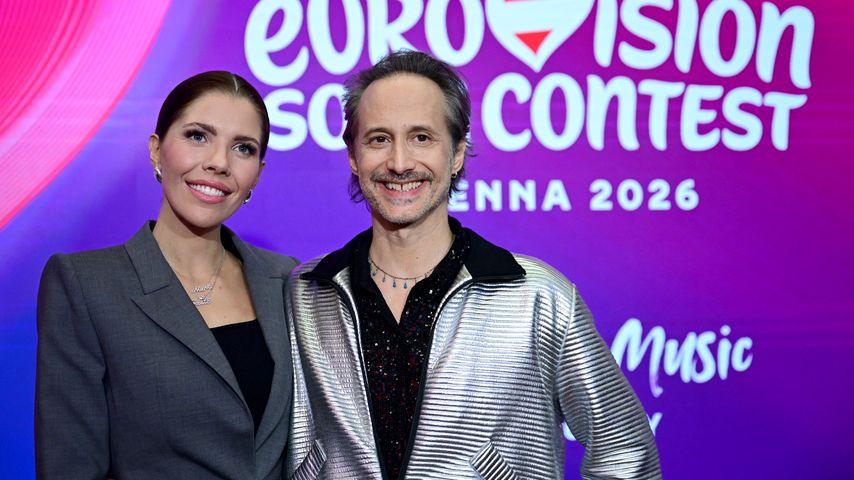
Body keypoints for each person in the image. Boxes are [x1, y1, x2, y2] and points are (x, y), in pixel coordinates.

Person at [284, 50, 661, 479]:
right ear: (353, 155)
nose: (400, 162)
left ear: (457, 153)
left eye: (422, 137)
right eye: (378, 139)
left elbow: (625, 447)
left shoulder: (537, 296)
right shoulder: (305, 293)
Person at [35, 71, 297, 479]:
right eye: (197, 136)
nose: (218, 162)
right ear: (157, 150)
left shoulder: (288, 281)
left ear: (257, 175)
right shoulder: (86, 285)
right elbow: (71, 465)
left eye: (242, 148)